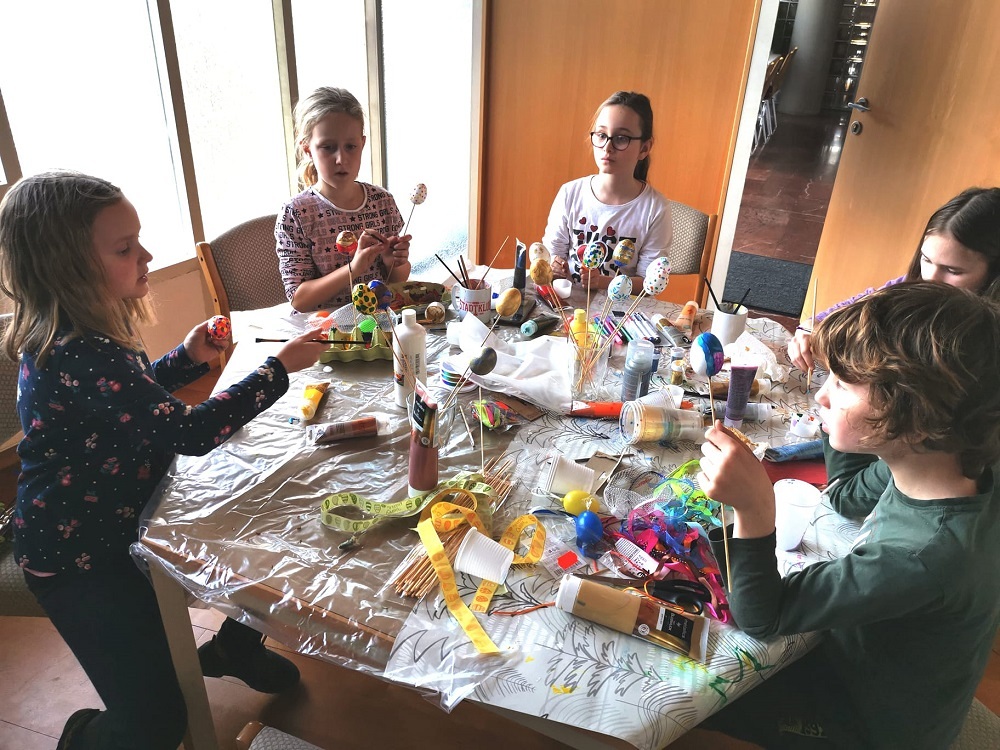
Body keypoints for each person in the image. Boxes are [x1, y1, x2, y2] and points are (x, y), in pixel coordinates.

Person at [0, 171, 330, 750]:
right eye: (125, 248)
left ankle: (233, 647)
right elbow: (189, 430)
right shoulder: (77, 351)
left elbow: (128, 403)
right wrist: (278, 368)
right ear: (68, 268)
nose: (146, 256)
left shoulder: (85, 337)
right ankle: (83, 738)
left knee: (264, 527)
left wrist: (184, 358)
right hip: (77, 557)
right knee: (155, 720)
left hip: (123, 519)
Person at [697, 281, 1000, 749]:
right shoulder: (947, 465)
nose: (821, 395)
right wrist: (835, 402)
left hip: (868, 723)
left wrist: (754, 508)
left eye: (841, 384)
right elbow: (846, 494)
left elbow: (761, 615)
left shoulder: (924, 556)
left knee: (698, 698)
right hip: (879, 672)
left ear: (916, 418)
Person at [788, 186, 1000, 373]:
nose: (930, 279)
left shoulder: (986, 339)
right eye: (926, 259)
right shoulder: (911, 283)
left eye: (953, 271)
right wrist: (809, 329)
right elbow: (847, 311)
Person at [276, 86, 411, 312]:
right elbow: (299, 299)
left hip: (378, 322)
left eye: (351, 147)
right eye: (328, 147)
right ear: (307, 149)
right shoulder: (297, 213)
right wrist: (353, 269)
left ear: (362, 144)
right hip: (323, 327)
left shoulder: (382, 202)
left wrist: (393, 261)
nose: (341, 159)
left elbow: (398, 280)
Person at [543, 91, 672, 291]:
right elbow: (552, 252)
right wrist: (555, 265)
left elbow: (649, 284)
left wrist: (603, 282)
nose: (607, 147)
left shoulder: (655, 208)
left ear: (644, 148)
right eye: (602, 135)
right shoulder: (570, 194)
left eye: (621, 138)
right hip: (569, 303)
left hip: (619, 309)